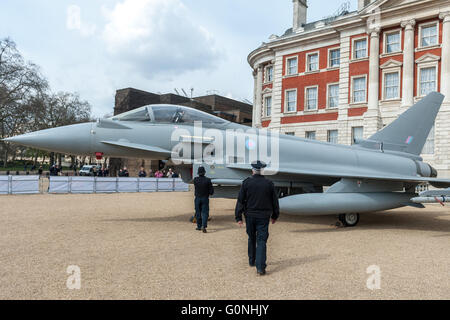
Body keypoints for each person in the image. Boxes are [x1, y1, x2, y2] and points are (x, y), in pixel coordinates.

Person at [235, 160, 279, 276]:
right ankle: (260, 267)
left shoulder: (246, 183)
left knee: (251, 238)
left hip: (249, 216)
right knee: (261, 241)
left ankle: (252, 261)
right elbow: (275, 201)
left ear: (252, 170)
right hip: (263, 217)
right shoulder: (269, 183)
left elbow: (240, 201)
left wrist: (238, 217)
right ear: (262, 170)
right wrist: (275, 215)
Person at [193, 166, 214, 233]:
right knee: (205, 213)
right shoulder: (208, 180)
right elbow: (211, 192)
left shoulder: (195, 179)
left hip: (197, 198)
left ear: (198, 173)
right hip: (205, 198)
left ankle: (199, 226)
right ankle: (204, 226)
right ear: (204, 172)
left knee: (198, 212)